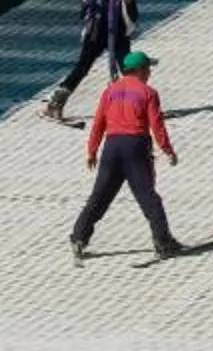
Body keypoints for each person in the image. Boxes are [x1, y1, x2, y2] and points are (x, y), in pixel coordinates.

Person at [72, 51, 186, 262]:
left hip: (112, 147)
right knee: (149, 198)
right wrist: (168, 150)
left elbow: (98, 123)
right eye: (148, 68)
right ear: (140, 70)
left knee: (99, 196)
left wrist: (92, 150)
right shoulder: (148, 92)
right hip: (135, 147)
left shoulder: (110, 91)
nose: (150, 72)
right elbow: (157, 125)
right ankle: (163, 242)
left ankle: (79, 237)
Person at [42, 0, 141, 122]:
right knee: (81, 69)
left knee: (128, 70)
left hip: (118, 36)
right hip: (96, 35)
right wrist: (88, 5)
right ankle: (55, 103)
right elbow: (83, 14)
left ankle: (139, 106)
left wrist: (127, 1)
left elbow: (133, 16)